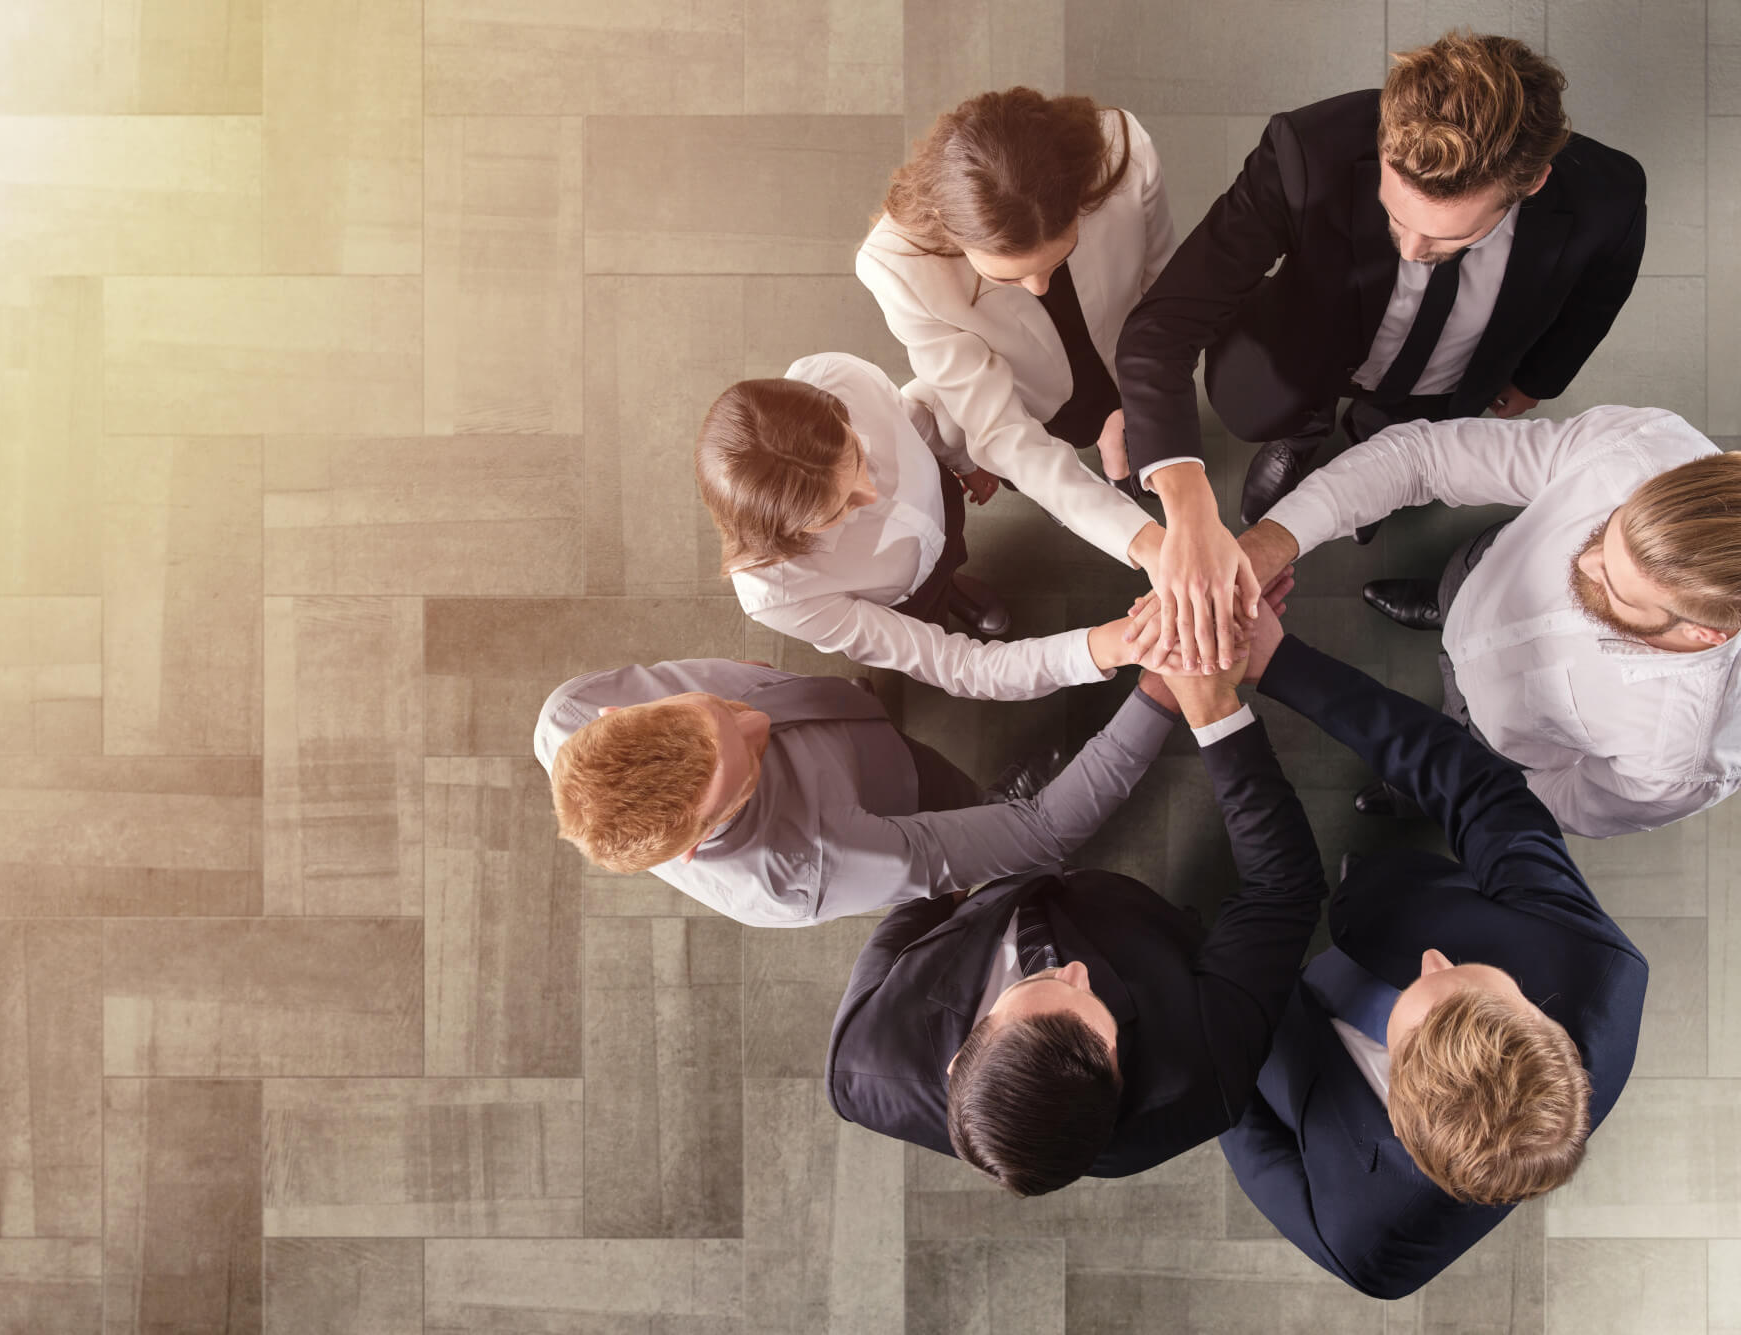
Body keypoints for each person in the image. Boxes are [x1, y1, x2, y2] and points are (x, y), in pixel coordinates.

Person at [1115, 31, 1646, 674]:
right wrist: (1190, 506)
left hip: (1456, 371)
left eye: (1451, 235)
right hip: (1312, 343)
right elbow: (1164, 325)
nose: (1412, 252)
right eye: (1396, 218)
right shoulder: (1305, 147)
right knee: (1256, 405)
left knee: (1403, 434)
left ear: (1531, 182)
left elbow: (1598, 296)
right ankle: (1302, 433)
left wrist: (1539, 378)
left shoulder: (1608, 196)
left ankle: (1373, 451)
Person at [824, 580, 1332, 1192]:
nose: (1076, 972)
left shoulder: (863, 1058)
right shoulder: (1203, 1074)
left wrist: (982, 847)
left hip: (1000, 896)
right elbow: (1283, 888)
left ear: (961, 1057)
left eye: (1040, 987)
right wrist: (1211, 707)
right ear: (1121, 1081)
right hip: (1152, 938)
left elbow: (909, 917)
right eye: (1095, 1012)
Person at [1218, 627, 1649, 1300]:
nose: (1431, 956)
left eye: (1423, 986)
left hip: (1271, 1038)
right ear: (1542, 1018)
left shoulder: (1365, 1242)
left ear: (1397, 1111)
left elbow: (1250, 1140)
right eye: (1474, 976)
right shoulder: (1597, 966)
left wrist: (1216, 1015)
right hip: (1378, 905)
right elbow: (1481, 791)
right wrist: (1280, 662)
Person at [1226, 405, 1741, 837]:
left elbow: (1568, 802)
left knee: (1436, 765)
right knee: (1459, 589)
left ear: (1705, 631)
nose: (1583, 561)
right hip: (1482, 576)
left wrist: (1460, 781)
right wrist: (1272, 542)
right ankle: (1444, 607)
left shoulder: (1689, 754)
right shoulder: (1648, 449)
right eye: (1607, 529)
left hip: (1490, 739)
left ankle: (1416, 788)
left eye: (1612, 584)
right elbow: (1425, 457)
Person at [857, 86, 1263, 660]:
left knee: (1125, 443)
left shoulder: (1123, 151)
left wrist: (1146, 401)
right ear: (952, 235)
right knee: (1049, 457)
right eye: (1009, 277)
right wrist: (1149, 545)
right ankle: (1099, 483)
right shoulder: (896, 267)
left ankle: (1121, 468)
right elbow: (1003, 432)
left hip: (1130, 351)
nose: (1040, 288)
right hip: (1031, 398)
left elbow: (1165, 288)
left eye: (1059, 258)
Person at [534, 657, 1175, 928]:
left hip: (864, 743)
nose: (758, 721)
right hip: (895, 800)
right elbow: (1044, 829)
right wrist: (1162, 692)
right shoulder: (818, 860)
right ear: (695, 846)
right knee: (1000, 829)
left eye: (720, 710)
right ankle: (991, 834)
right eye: (748, 761)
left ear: (613, 717)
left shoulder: (571, 710)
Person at [699, 351, 1174, 701]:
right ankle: (948, 596)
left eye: (858, 457)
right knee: (929, 610)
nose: (875, 494)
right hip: (901, 596)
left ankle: (953, 581)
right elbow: (959, 665)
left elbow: (906, 419)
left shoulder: (832, 377)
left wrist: (960, 460)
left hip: (942, 502)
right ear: (787, 536)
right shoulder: (781, 594)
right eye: (837, 511)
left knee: (950, 552)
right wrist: (1110, 646)